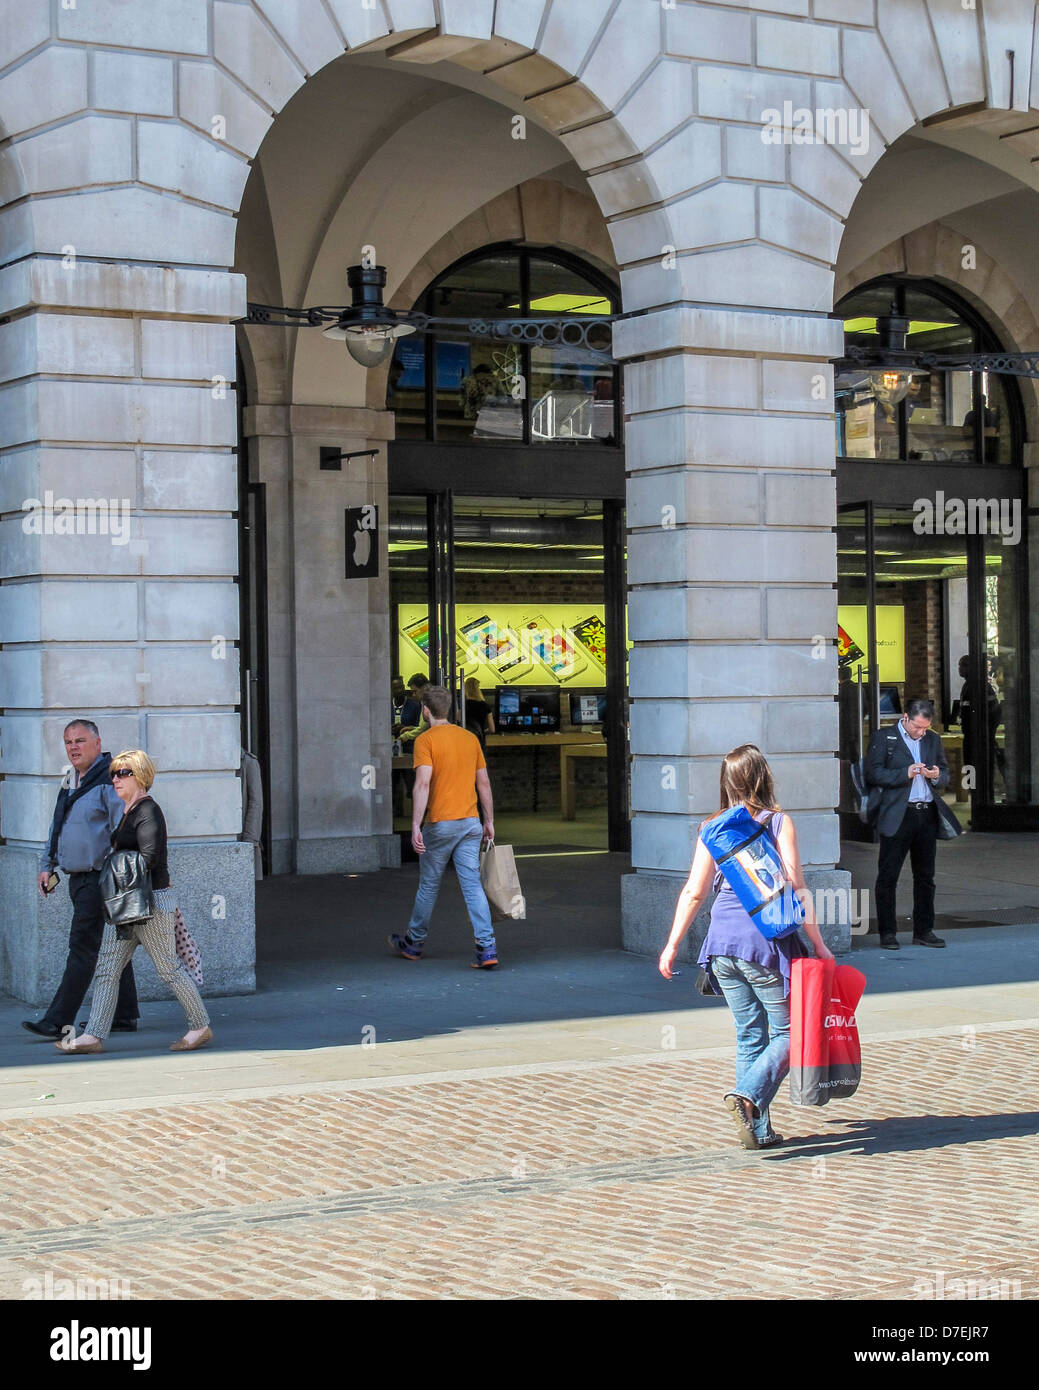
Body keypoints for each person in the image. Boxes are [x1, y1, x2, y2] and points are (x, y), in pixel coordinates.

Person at [658, 746, 833, 1150]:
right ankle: (748, 1097)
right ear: (764, 777)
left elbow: (694, 892)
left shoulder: (713, 827)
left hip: (721, 945)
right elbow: (796, 888)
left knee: (749, 1035)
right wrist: (820, 945)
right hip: (765, 944)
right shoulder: (778, 822)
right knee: (794, 1031)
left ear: (727, 782)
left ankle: (758, 1129)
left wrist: (670, 946)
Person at [56, 750, 212, 1054]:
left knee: (168, 968)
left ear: (140, 776)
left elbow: (150, 857)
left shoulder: (148, 811)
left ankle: (200, 1026)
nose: (115, 779)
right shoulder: (130, 810)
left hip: (150, 903)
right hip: (128, 904)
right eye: (114, 773)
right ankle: (94, 1036)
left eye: (123, 773)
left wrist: (112, 866)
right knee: (107, 968)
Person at [22, 720, 139, 1040]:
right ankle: (124, 1015)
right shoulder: (70, 780)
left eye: (80, 741)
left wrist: (118, 875)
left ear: (97, 744)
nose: (73, 747)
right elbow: (57, 825)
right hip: (78, 878)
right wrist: (48, 864)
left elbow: (122, 829)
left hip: (100, 877)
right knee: (115, 947)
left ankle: (58, 1020)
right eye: (68, 742)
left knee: (82, 947)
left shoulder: (111, 780)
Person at [388, 685, 498, 969]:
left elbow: (423, 783)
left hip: (440, 824)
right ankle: (487, 948)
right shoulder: (469, 738)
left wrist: (415, 825)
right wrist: (489, 820)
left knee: (428, 886)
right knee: (472, 886)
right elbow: (483, 782)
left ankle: (414, 942)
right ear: (448, 708)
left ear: (426, 710)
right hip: (470, 823)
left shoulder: (426, 741)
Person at [864, 697, 950, 950]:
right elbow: (873, 772)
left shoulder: (932, 740)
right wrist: (905, 773)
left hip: (925, 813)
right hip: (897, 814)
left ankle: (924, 930)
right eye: (917, 727)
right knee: (889, 875)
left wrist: (936, 776)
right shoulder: (885, 738)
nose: (920, 732)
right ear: (905, 718)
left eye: (925, 727)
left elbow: (945, 773)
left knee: (926, 876)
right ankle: (887, 932)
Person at [463, 675, 494, 748]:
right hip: (480, 741)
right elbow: (492, 729)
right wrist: (482, 732)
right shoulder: (485, 705)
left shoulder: (463, 705)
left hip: (465, 741)